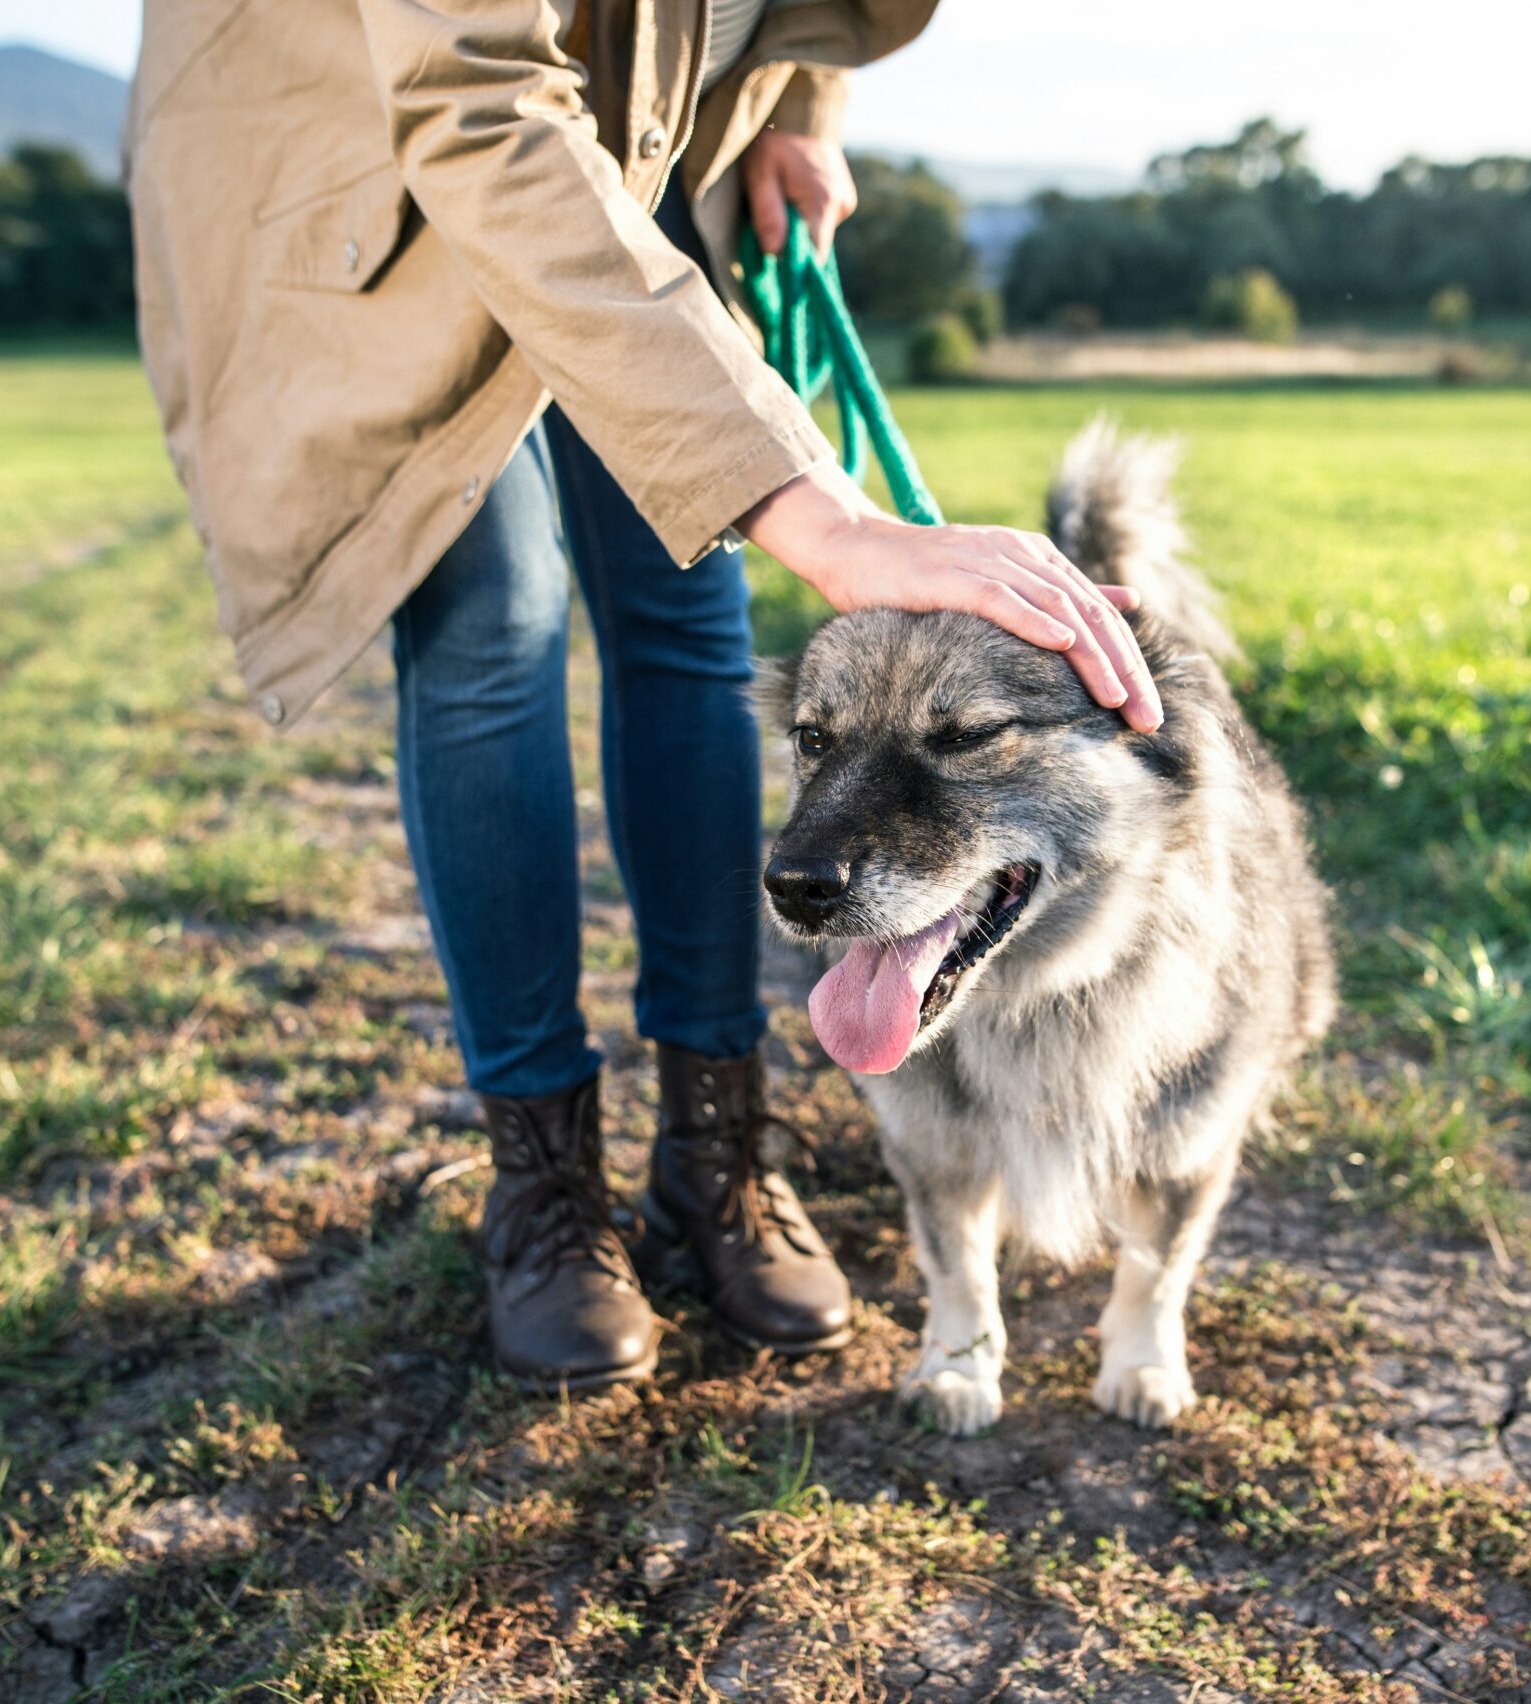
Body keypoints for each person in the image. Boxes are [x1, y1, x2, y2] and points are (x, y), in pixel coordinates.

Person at [127, 0, 1161, 1390]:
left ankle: (716, 1141)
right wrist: (834, 521)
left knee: (689, 605)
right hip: (391, 159)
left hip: (639, 147)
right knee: (491, 620)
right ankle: (543, 1181)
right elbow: (478, 103)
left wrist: (801, 106)